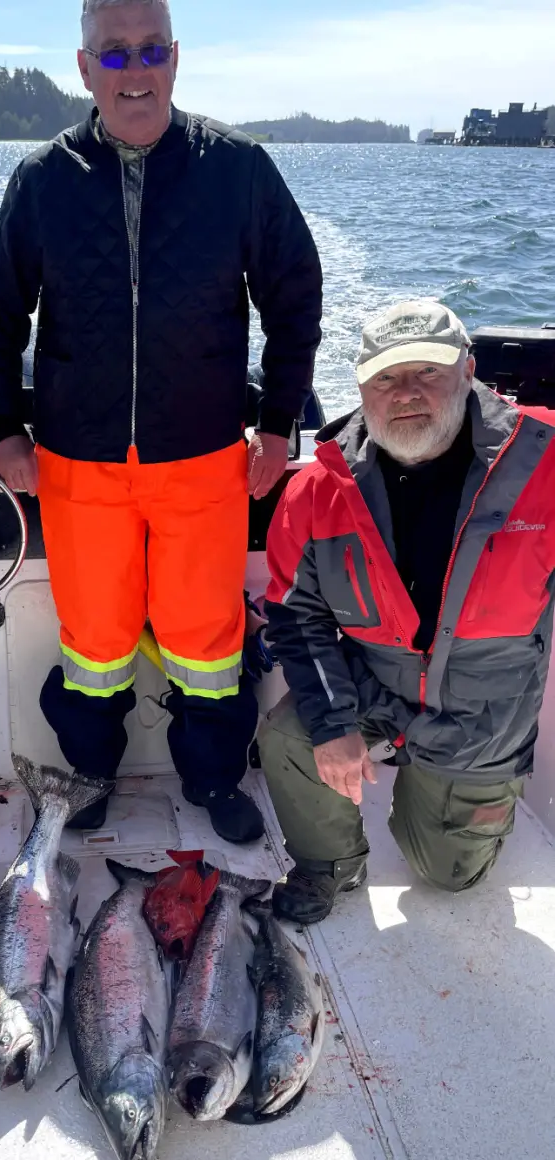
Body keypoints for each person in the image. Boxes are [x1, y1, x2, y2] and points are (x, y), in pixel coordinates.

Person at [0, 0, 323, 843]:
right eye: (116, 54)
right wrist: (4, 428)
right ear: (85, 68)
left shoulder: (239, 169)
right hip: (77, 460)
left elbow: (295, 297)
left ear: (176, 58)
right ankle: (91, 772)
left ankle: (214, 777)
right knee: (93, 645)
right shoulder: (42, 179)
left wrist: (278, 423)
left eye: (151, 50)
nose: (136, 70)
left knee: (209, 644)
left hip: (203, 455)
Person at [258, 299, 555, 922]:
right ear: (361, 387)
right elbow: (296, 614)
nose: (406, 392)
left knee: (447, 876)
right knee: (291, 737)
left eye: (428, 372)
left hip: (481, 715)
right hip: (376, 688)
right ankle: (330, 864)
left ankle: (450, 804)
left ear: (468, 370)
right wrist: (333, 724)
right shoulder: (317, 488)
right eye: (387, 377)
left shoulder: (544, 457)